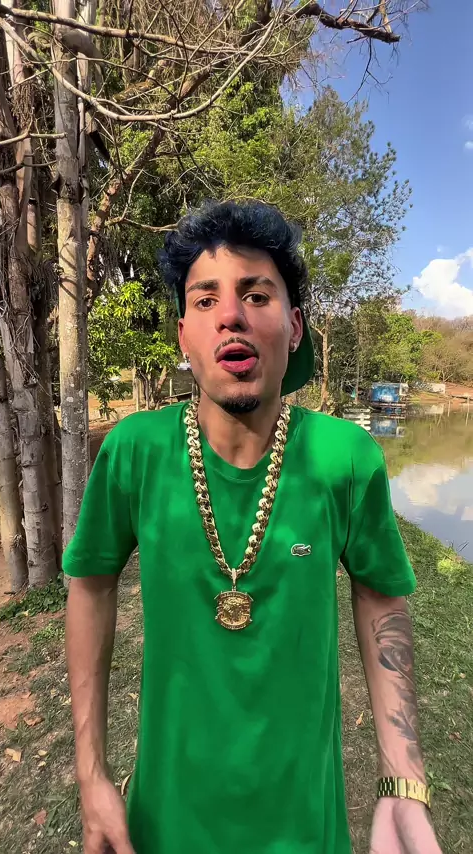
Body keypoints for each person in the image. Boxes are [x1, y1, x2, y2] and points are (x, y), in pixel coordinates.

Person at [64, 201, 443, 854]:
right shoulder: (133, 451)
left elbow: (382, 600)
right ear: (183, 336)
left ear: (293, 327)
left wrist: (403, 781)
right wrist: (91, 773)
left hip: (307, 827)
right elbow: (91, 585)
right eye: (205, 300)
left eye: (256, 295)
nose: (231, 316)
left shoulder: (346, 457)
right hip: (164, 824)